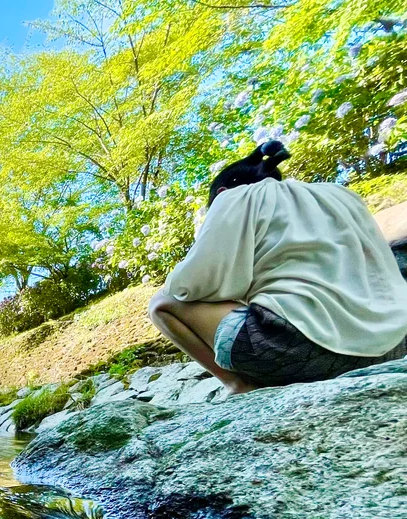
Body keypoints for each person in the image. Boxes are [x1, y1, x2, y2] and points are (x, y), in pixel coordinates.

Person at [148, 141, 407, 394]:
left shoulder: (233, 198)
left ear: (221, 193)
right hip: (395, 344)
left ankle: (238, 385)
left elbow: (188, 286)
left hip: (299, 348)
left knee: (162, 302)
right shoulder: (339, 194)